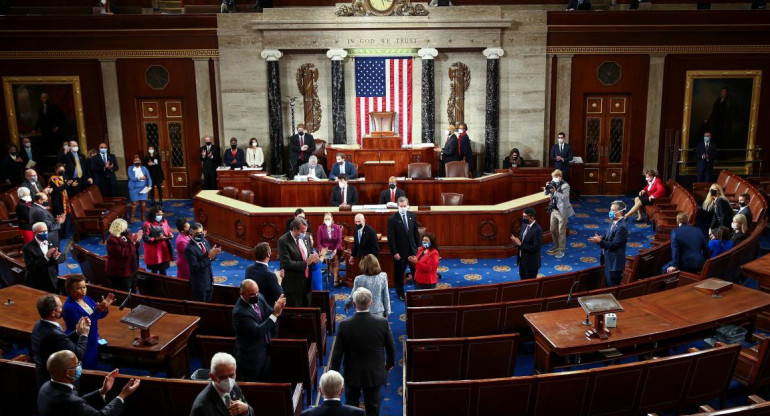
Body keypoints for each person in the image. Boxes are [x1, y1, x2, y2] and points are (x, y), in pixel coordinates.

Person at [331, 287, 395, 416]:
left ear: (354, 303)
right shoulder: (382, 322)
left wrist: (334, 375)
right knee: (373, 407)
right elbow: (390, 347)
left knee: (351, 406)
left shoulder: (344, 325)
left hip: (352, 373)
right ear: (371, 302)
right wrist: (389, 364)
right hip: (374, 373)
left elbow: (337, 354)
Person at [37, 350, 140, 416]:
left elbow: (78, 403)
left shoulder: (45, 387)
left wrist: (102, 391)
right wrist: (122, 395)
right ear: (67, 373)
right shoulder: (71, 402)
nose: (79, 367)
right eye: (77, 364)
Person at [30, 294, 90, 388]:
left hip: (42, 377)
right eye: (60, 307)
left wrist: (77, 332)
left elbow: (60, 342)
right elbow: (79, 354)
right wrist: (84, 334)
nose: (63, 308)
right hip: (58, 383)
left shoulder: (38, 325)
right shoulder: (55, 335)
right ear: (53, 312)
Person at [233, 279, 285, 382]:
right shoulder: (239, 312)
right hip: (251, 358)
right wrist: (275, 314)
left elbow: (271, 313)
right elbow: (258, 331)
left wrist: (278, 308)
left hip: (265, 351)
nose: (256, 296)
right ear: (242, 293)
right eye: (252, 294)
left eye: (257, 292)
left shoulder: (259, 297)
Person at [62, 275, 114, 370]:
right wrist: (98, 310)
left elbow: (99, 315)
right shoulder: (69, 307)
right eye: (78, 288)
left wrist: (104, 308)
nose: (83, 290)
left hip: (92, 338)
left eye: (84, 287)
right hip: (80, 341)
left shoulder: (86, 298)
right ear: (70, 289)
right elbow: (85, 324)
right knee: (85, 368)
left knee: (93, 364)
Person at [278, 217, 319, 307]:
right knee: (295, 313)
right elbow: (286, 263)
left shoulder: (307, 238)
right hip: (293, 284)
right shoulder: (283, 241)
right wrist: (306, 263)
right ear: (294, 229)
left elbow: (310, 253)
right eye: (302, 231)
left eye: (305, 231)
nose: (304, 234)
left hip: (307, 282)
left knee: (307, 310)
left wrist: (314, 259)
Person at [589, 200, 628, 287]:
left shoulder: (622, 227)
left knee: (612, 287)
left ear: (620, 212)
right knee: (607, 284)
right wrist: (599, 238)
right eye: (610, 210)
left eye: (613, 210)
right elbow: (608, 236)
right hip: (608, 259)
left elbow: (614, 245)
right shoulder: (613, 222)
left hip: (614, 263)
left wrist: (600, 241)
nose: (610, 212)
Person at [387, 197, 419, 301]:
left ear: (408, 205)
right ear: (398, 206)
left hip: (413, 250)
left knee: (416, 271)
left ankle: (418, 290)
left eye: (405, 206)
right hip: (400, 252)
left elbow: (415, 233)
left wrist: (419, 248)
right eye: (401, 206)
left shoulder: (412, 215)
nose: (403, 208)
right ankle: (400, 293)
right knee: (399, 274)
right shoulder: (392, 219)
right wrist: (395, 252)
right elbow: (391, 238)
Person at [186, 222, 222, 302]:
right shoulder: (189, 249)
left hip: (208, 280)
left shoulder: (204, 241)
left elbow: (210, 257)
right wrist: (209, 257)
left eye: (201, 232)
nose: (200, 235)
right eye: (197, 233)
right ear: (191, 234)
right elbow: (195, 267)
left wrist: (214, 254)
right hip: (199, 285)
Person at [23, 222, 62, 293]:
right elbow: (31, 267)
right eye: (42, 232)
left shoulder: (53, 243)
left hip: (53, 280)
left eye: (46, 231)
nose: (45, 233)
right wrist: (46, 257)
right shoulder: (28, 247)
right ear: (34, 233)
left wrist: (55, 257)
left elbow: (57, 261)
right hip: (38, 282)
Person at [106, 218, 142, 292]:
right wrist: (133, 243)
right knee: (124, 292)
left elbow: (133, 246)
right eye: (125, 227)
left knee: (133, 289)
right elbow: (122, 253)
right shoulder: (112, 240)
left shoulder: (126, 234)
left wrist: (137, 240)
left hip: (132, 268)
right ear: (118, 228)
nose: (126, 228)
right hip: (121, 272)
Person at [544, 169, 574, 259]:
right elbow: (545, 194)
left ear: (560, 177)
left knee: (561, 231)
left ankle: (561, 249)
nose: (553, 179)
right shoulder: (552, 183)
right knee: (552, 229)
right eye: (553, 177)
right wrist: (547, 187)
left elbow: (565, 198)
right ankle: (556, 245)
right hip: (553, 210)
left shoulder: (565, 185)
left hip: (562, 211)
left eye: (555, 177)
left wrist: (555, 192)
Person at [510, 207, 542, 280]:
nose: (523, 218)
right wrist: (516, 242)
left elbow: (536, 248)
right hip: (522, 261)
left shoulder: (537, 230)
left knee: (530, 285)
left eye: (525, 217)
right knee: (523, 282)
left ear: (532, 217)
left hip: (531, 263)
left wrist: (520, 244)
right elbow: (522, 241)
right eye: (523, 216)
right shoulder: (524, 225)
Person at [142, 206, 174, 275]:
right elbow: (145, 238)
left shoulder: (164, 221)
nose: (160, 216)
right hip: (154, 252)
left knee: (163, 271)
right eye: (158, 214)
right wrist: (157, 239)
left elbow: (168, 230)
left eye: (161, 214)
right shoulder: (147, 224)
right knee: (154, 272)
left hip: (164, 250)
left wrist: (170, 234)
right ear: (153, 214)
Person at [317, 212, 344, 288]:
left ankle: (335, 279)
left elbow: (339, 240)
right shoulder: (320, 228)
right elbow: (319, 242)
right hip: (325, 249)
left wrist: (335, 249)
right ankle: (337, 277)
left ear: (332, 219)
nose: (327, 220)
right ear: (323, 220)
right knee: (329, 261)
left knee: (334, 259)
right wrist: (322, 249)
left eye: (328, 219)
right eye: (326, 219)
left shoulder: (337, 227)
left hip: (336, 248)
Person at [48, 163, 72, 237]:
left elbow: (66, 188)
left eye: (63, 170)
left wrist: (71, 184)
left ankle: (65, 234)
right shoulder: (53, 179)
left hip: (65, 201)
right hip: (57, 201)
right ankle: (59, 235)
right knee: (59, 216)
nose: (62, 171)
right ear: (56, 170)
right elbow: (58, 190)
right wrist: (66, 184)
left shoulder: (65, 177)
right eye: (60, 170)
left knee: (66, 216)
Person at [128, 154, 152, 222]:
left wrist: (149, 184)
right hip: (133, 188)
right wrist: (140, 178)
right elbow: (132, 178)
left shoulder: (144, 168)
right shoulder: (130, 168)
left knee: (143, 202)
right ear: (133, 162)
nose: (137, 161)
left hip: (143, 187)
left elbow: (148, 177)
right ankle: (132, 217)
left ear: (140, 162)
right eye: (135, 160)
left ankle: (143, 216)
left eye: (138, 160)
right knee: (134, 203)